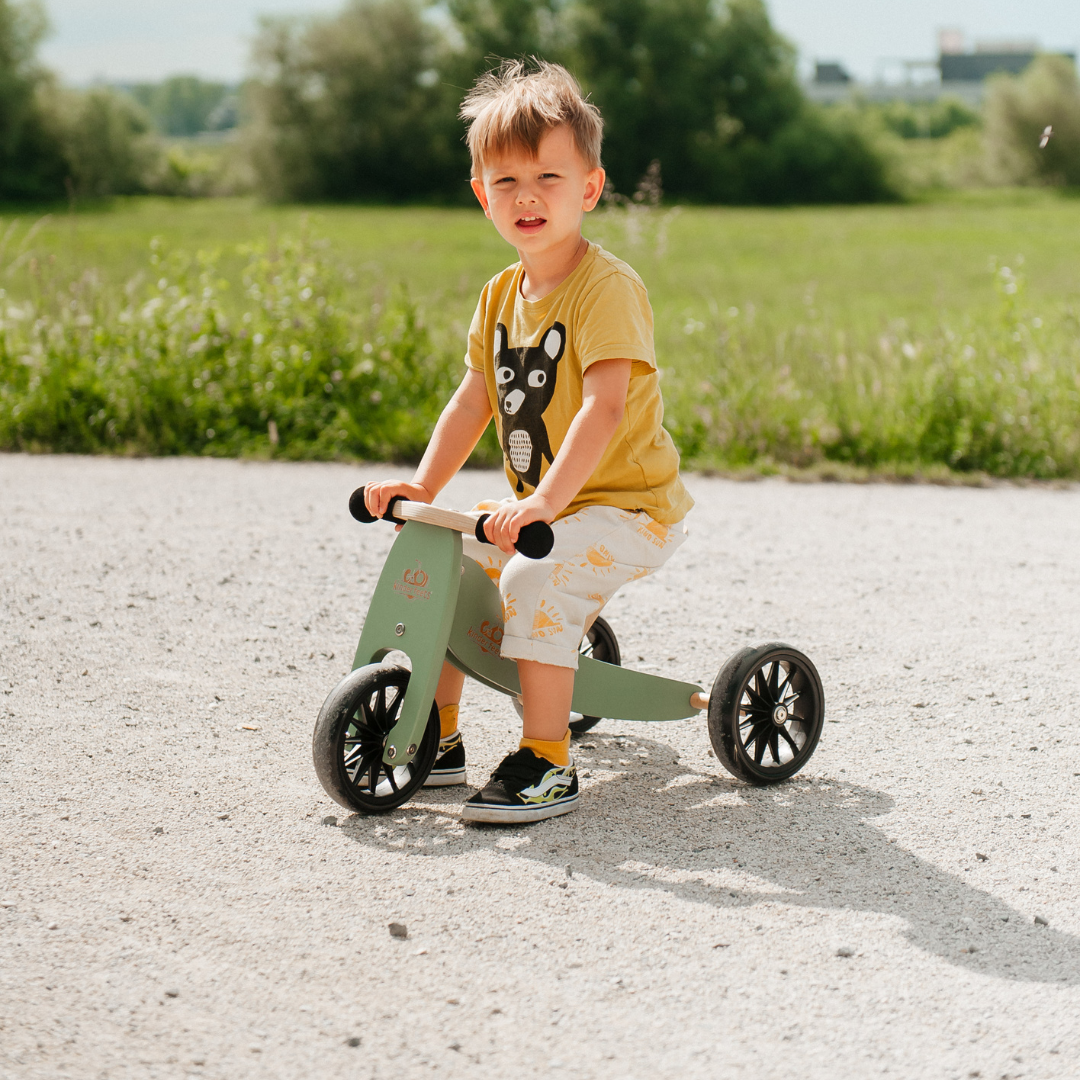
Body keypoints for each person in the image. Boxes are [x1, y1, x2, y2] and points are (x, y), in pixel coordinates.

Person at [364, 60, 693, 824]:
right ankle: (435, 737)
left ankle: (547, 760)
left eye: (548, 176)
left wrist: (544, 500)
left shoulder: (606, 288)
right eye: (505, 181)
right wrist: (421, 487)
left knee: (531, 584)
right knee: (445, 561)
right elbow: (474, 397)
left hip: (628, 508)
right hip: (549, 510)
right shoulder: (500, 294)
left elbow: (604, 408)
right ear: (482, 195)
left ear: (588, 187)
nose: (527, 196)